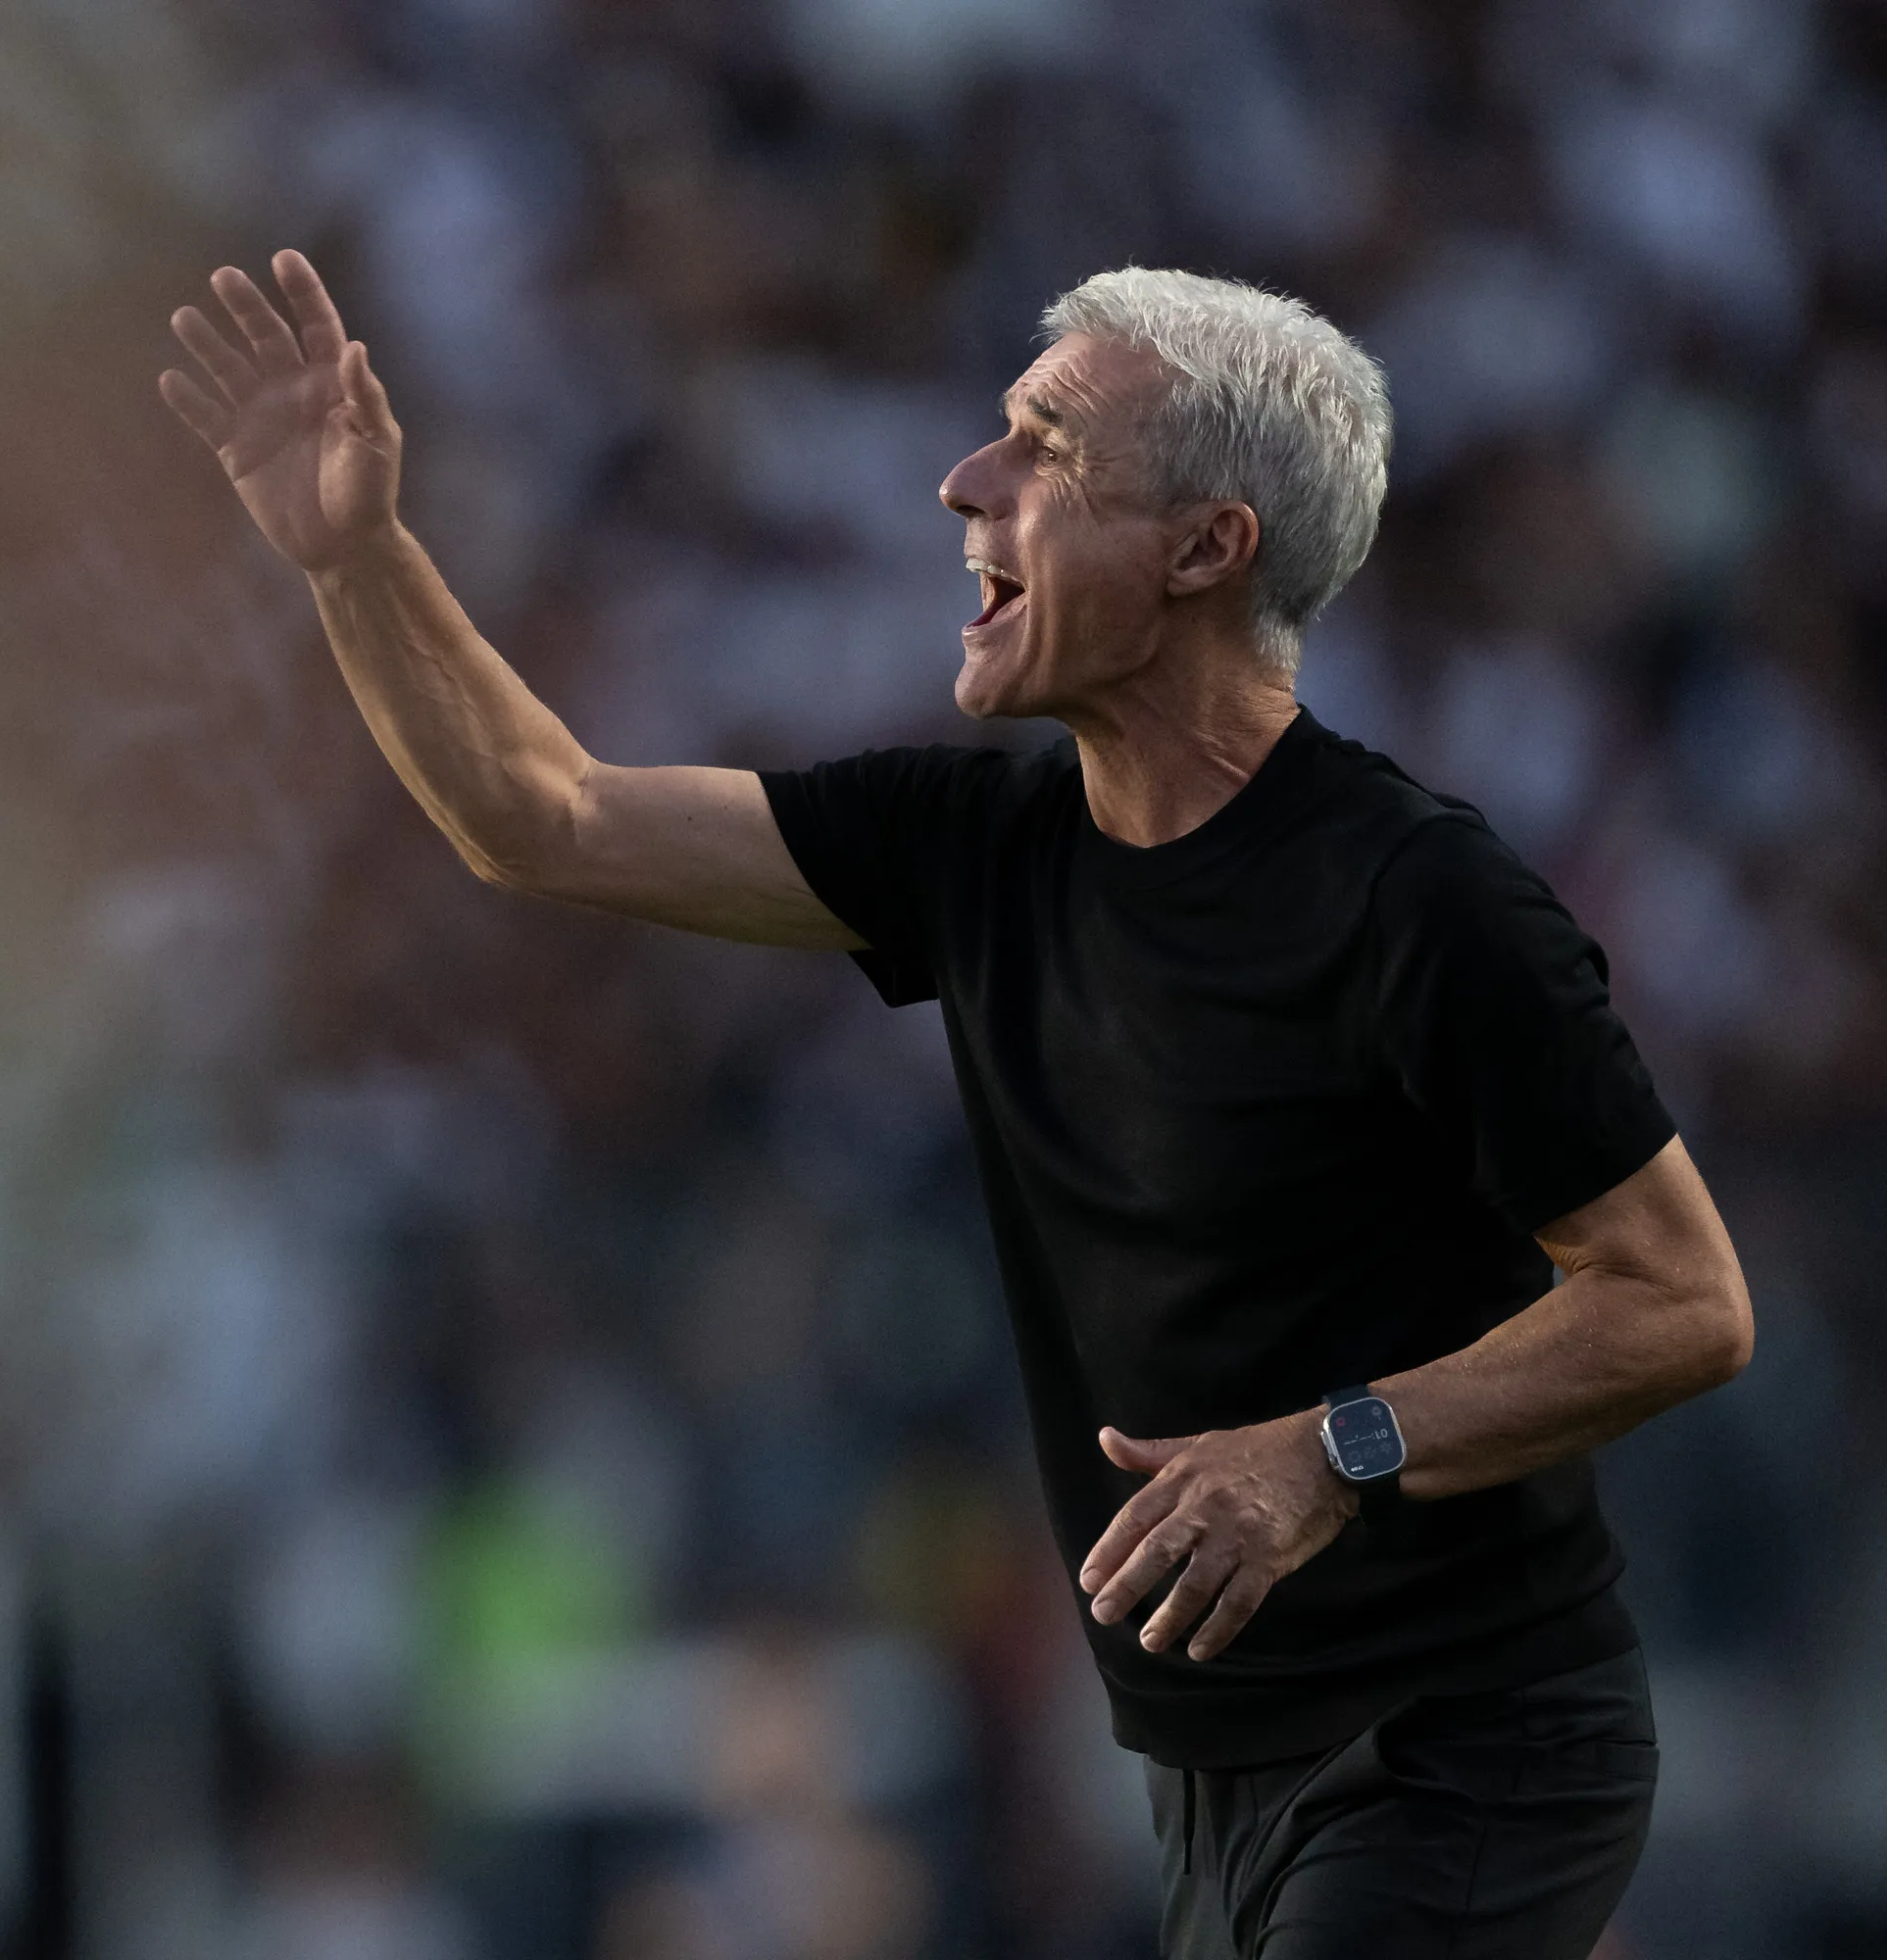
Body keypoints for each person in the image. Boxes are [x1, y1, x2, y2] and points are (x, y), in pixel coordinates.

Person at [158, 251, 1752, 1958]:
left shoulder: (1420, 899)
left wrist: (1330, 1449)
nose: (963, 481)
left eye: (1045, 449)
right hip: (1214, 1776)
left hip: (1473, 1746)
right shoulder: (974, 848)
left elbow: (1684, 1301)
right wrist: (356, 558)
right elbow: (543, 815)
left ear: (1206, 549)